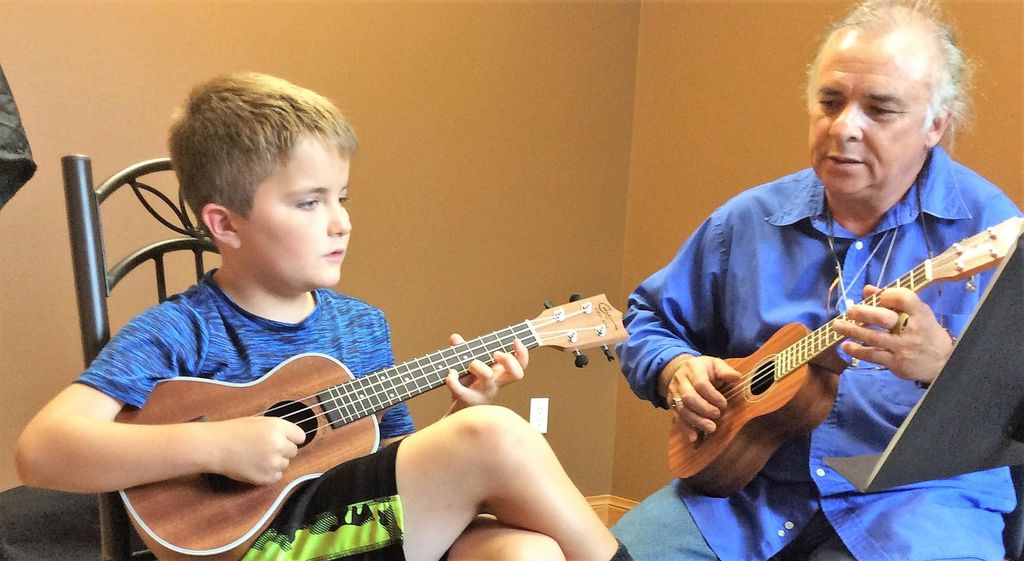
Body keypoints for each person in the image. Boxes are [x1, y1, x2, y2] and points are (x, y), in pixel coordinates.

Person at [15, 72, 631, 561]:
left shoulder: (361, 325)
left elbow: (391, 457)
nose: (341, 222)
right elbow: (42, 451)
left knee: (526, 551)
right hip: (260, 547)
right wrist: (215, 444)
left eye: (342, 198)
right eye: (310, 202)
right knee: (494, 435)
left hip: (357, 529)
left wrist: (459, 413)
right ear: (224, 224)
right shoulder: (181, 330)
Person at [612, 1, 1021, 560]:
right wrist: (674, 370)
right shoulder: (747, 222)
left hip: (918, 504)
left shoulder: (993, 229)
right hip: (747, 490)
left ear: (935, 125)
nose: (844, 127)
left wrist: (944, 365)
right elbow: (647, 319)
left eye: (879, 109)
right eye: (830, 102)